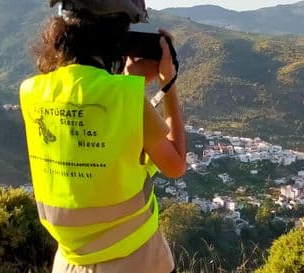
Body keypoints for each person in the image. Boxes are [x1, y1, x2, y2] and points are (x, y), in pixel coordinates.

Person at [18, 0, 186, 272]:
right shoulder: (124, 96)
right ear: (116, 37)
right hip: (138, 260)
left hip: (68, 262)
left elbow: (89, 123)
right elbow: (175, 163)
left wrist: (127, 82)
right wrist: (169, 84)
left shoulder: (31, 92)